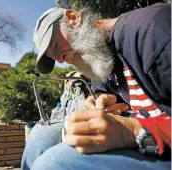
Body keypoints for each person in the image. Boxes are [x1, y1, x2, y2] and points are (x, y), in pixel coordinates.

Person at [21, 3, 171, 170]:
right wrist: (106, 100)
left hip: (158, 143)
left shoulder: (153, 31)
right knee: (42, 137)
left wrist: (129, 130)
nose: (61, 59)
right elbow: (108, 92)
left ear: (73, 19)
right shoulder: (100, 54)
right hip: (145, 139)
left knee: (54, 163)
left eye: (56, 46)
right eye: (55, 58)